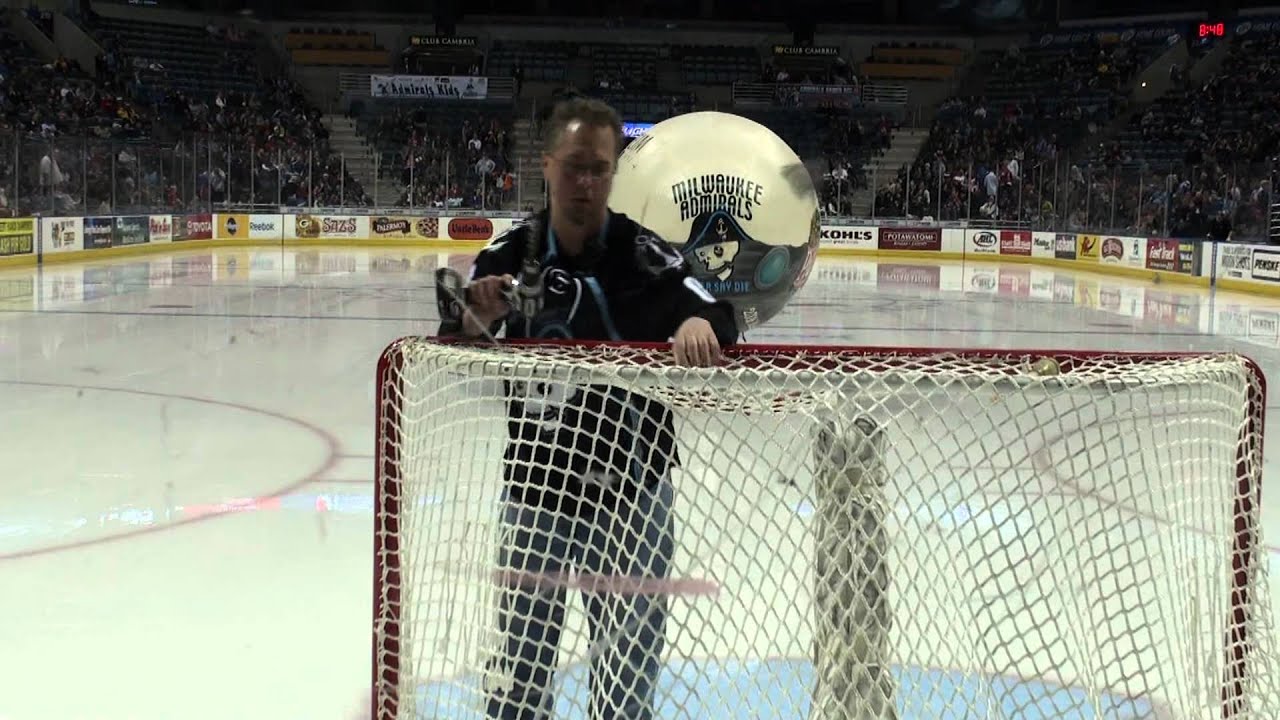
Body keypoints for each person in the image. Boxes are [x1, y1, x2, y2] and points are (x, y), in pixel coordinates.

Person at [439, 97, 739, 719]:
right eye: (573, 166)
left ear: (614, 173)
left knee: (625, 693)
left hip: (632, 501)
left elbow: (717, 311)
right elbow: (456, 329)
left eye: (598, 169)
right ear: (545, 166)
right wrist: (476, 314)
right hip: (536, 494)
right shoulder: (509, 254)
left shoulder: (643, 254)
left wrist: (695, 325)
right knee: (518, 687)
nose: (585, 182)